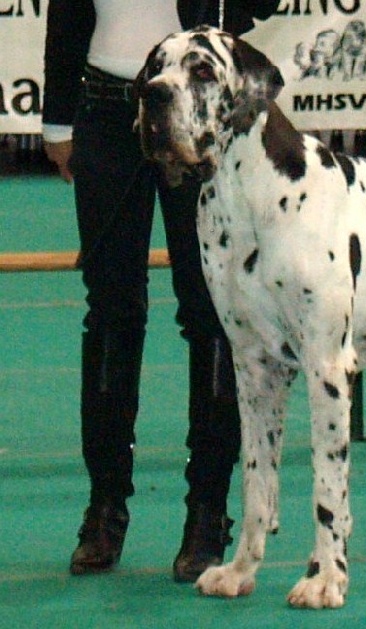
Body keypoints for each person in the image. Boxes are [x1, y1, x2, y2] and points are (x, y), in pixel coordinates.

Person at [42, 0, 280, 582]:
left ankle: (207, 513)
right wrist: (56, 120)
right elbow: (66, 13)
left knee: (210, 313)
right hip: (104, 109)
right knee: (111, 311)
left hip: (200, 111)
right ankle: (103, 509)